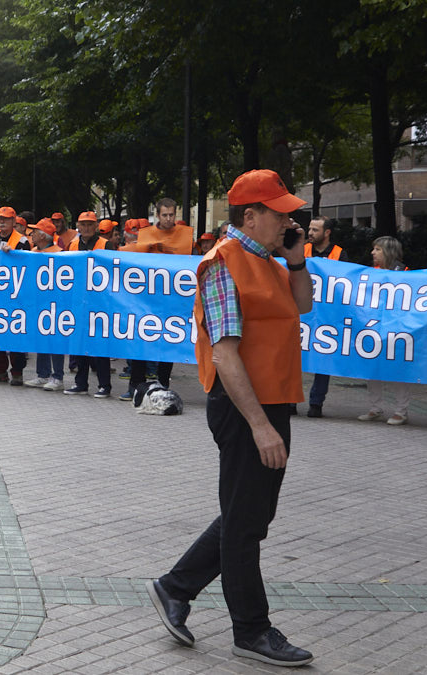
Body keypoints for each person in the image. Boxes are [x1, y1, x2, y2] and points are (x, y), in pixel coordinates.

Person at [147, 169, 314, 667]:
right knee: (246, 522)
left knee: (251, 514)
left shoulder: (270, 261)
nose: (289, 219)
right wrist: (260, 424)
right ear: (251, 215)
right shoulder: (223, 264)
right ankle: (251, 630)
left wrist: (298, 259)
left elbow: (302, 305)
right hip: (246, 409)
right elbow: (224, 354)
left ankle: (174, 586)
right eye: (280, 212)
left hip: (272, 402)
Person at [119, 199, 192, 401]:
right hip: (147, 296)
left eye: (172, 215)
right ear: (157, 215)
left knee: (169, 339)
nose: (169, 219)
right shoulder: (146, 235)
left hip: (172, 296)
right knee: (141, 338)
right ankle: (135, 385)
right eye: (165, 215)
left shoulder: (185, 235)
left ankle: (163, 383)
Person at [357, 236, 414, 426]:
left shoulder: (405, 273)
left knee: (397, 371)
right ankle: (375, 407)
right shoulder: (371, 272)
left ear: (388, 252)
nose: (372, 253)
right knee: (373, 370)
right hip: (374, 328)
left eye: (377, 249)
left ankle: (401, 411)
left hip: (396, 329)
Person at [63, 213, 115, 397]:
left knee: (100, 344)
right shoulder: (73, 245)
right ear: (78, 225)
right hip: (79, 302)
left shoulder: (106, 244)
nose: (86, 228)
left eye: (89, 224)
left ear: (96, 226)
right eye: (83, 224)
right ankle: (81, 383)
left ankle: (104, 385)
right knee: (79, 343)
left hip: (100, 302)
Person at [303, 215, 349, 418]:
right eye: (310, 229)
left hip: (327, 316)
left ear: (327, 232)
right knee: (295, 359)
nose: (310, 233)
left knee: (323, 359)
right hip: (303, 313)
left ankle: (316, 403)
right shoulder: (302, 250)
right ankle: (289, 401)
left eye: (315, 230)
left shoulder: (340, 254)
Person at [0, 206, 31, 385]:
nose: (2, 222)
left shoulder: (22, 241)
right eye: (0, 219)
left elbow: (28, 266)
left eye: (6, 219)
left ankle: (17, 372)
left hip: (14, 295)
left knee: (15, 332)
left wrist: (14, 256)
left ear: (14, 222)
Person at [24, 218, 69, 390]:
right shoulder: (33, 251)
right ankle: (42, 374)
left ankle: (57, 377)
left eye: (34, 231)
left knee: (54, 339)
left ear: (43, 235)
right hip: (38, 302)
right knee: (41, 337)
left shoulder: (58, 253)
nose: (32, 234)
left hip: (55, 303)